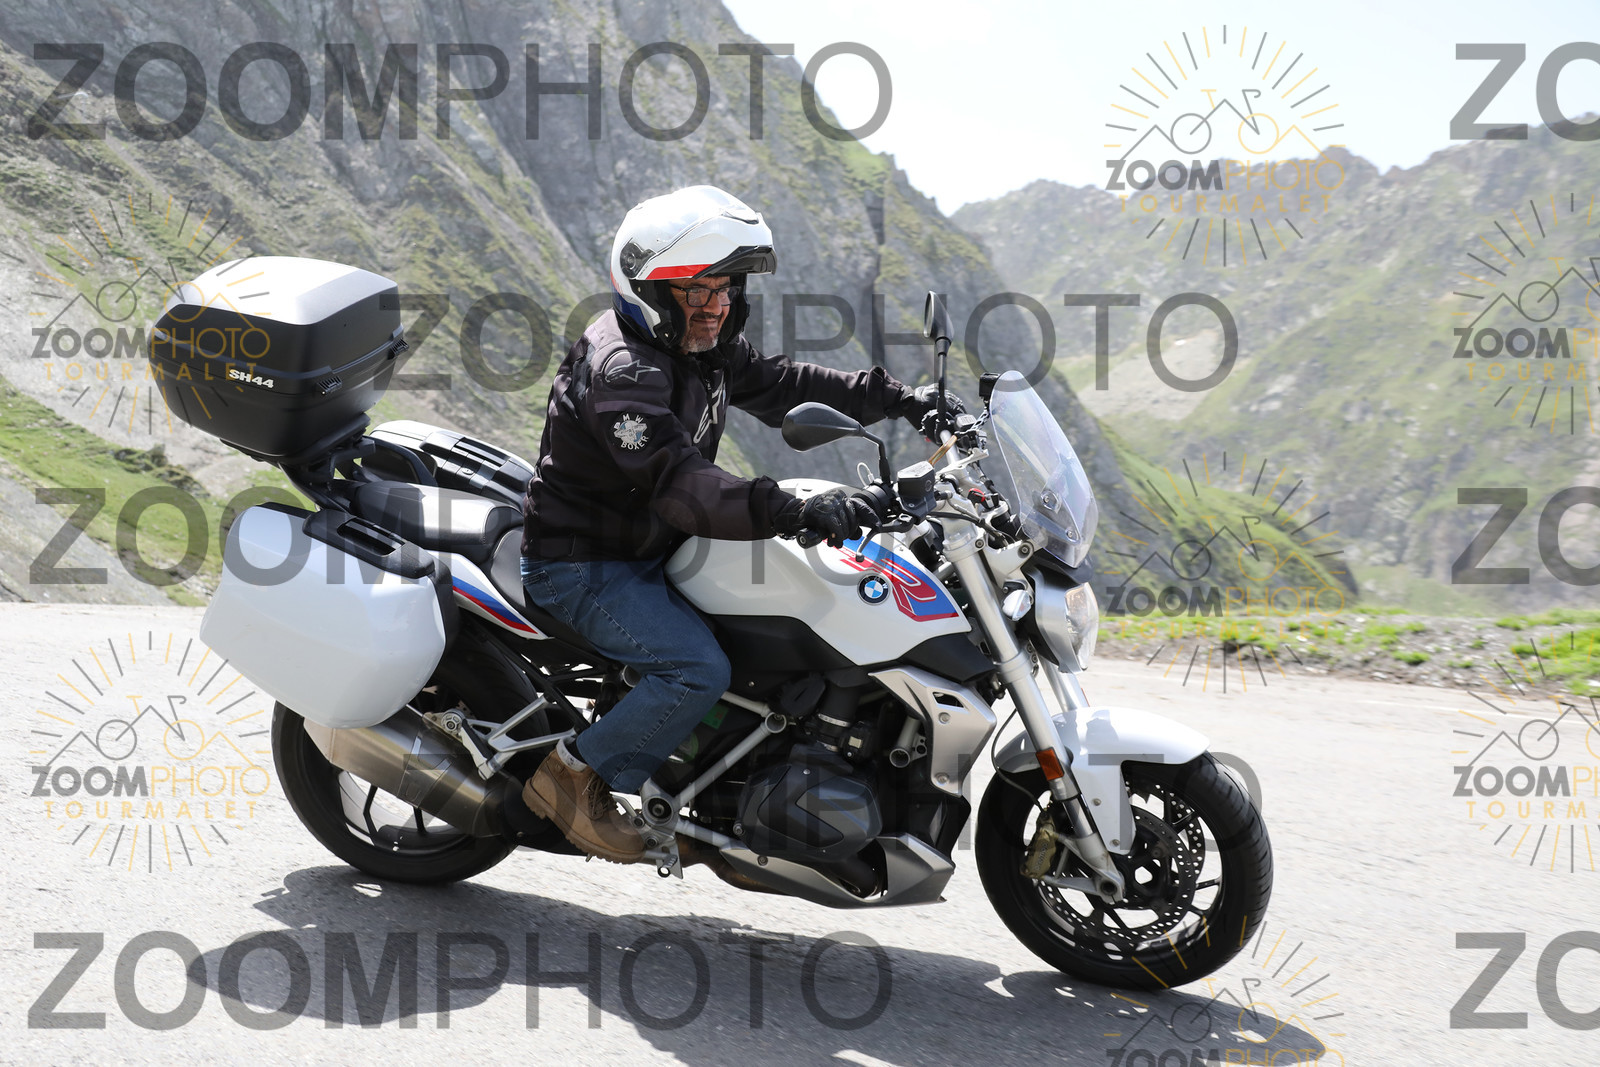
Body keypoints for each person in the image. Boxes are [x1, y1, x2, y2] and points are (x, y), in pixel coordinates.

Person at [517, 185, 954, 863]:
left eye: (726, 287)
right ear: (651, 291)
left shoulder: (696, 344)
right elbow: (683, 488)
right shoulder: (625, 372)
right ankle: (574, 776)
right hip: (585, 563)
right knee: (696, 669)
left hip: (650, 546)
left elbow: (784, 384)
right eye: (699, 289)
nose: (718, 304)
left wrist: (900, 399)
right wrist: (793, 509)